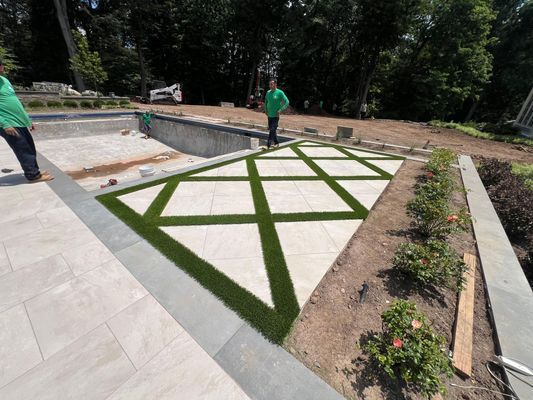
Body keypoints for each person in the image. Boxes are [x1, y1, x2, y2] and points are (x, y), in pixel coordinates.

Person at [0, 58, 53, 182]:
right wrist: (4, 124)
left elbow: (15, 102)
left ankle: (35, 170)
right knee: (22, 148)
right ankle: (33, 175)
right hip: (8, 123)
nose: (2, 67)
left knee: (29, 147)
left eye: (1, 64)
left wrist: (27, 120)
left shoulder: (4, 80)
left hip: (18, 121)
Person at [264, 79, 289, 148]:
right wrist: (265, 109)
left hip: (275, 116)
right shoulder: (268, 92)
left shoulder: (280, 92)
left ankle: (268, 145)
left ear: (275, 84)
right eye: (269, 84)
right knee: (273, 130)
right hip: (269, 115)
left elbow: (287, 102)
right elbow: (265, 101)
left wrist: (280, 110)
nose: (270, 86)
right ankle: (276, 143)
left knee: (272, 130)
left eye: (271, 84)